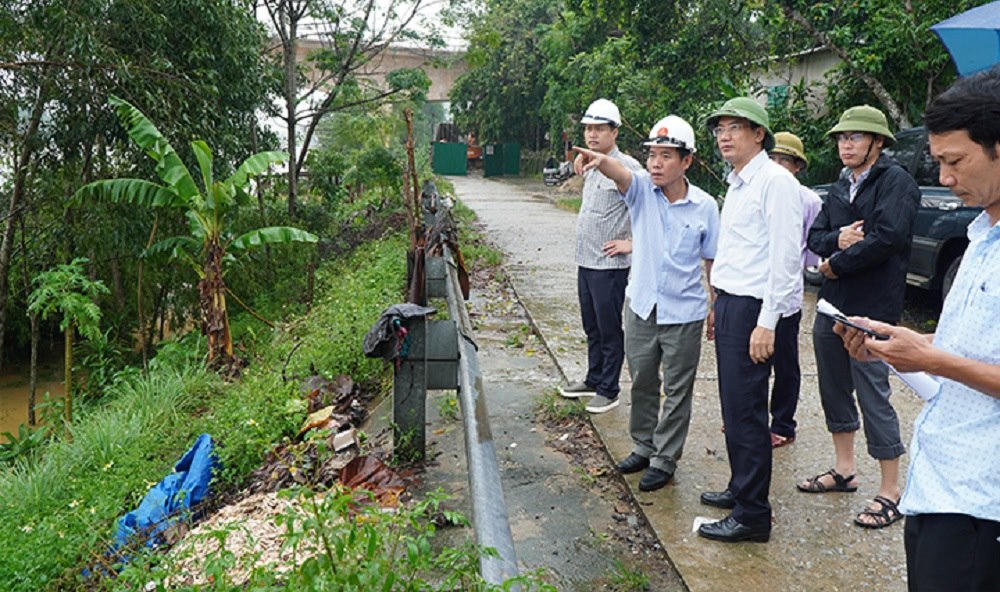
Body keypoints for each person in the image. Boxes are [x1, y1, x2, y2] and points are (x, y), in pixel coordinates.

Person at [836, 66, 1000, 592]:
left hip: (982, 503)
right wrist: (897, 345)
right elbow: (972, 345)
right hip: (938, 482)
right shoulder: (982, 236)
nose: (945, 178)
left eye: (955, 162)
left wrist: (928, 359)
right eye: (939, 162)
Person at [572, 115, 719, 492]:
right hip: (641, 307)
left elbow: (711, 261)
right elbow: (619, 172)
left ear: (686, 161)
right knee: (641, 381)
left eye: (666, 156)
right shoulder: (640, 191)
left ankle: (665, 458)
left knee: (677, 388)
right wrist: (596, 158)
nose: (656, 163)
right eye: (652, 155)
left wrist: (715, 305)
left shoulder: (704, 206)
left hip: (684, 312)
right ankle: (644, 445)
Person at [797, 105, 920, 530]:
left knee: (873, 393)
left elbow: (889, 237)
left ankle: (891, 490)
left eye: (855, 137)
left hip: (873, 307)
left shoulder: (897, 182)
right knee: (833, 385)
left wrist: (833, 263)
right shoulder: (838, 185)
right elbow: (815, 236)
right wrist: (840, 240)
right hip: (832, 303)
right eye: (841, 137)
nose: (845, 144)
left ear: (878, 142)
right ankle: (844, 468)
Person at [696, 97, 803, 543]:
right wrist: (716, 303)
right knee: (733, 408)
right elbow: (738, 252)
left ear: (758, 134)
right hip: (732, 303)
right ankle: (742, 489)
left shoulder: (775, 182)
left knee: (748, 412)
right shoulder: (738, 182)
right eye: (720, 128)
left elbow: (784, 258)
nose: (724, 135)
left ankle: (753, 514)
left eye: (734, 127)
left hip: (756, 308)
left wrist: (768, 322)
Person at [559, 98, 643, 414]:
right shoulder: (589, 163)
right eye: (588, 129)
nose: (592, 135)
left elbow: (652, 207)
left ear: (615, 132)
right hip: (586, 260)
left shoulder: (627, 167)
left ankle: (609, 389)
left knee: (609, 329)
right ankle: (593, 378)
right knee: (591, 326)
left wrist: (632, 243)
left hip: (609, 266)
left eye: (599, 129)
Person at [766, 131, 824, 448]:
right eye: (771, 159)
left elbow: (811, 252)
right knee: (751, 358)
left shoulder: (809, 201)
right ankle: (751, 416)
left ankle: (783, 424)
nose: (776, 166)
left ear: (797, 166)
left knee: (785, 361)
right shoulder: (756, 191)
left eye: (783, 161)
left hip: (786, 293)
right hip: (753, 290)